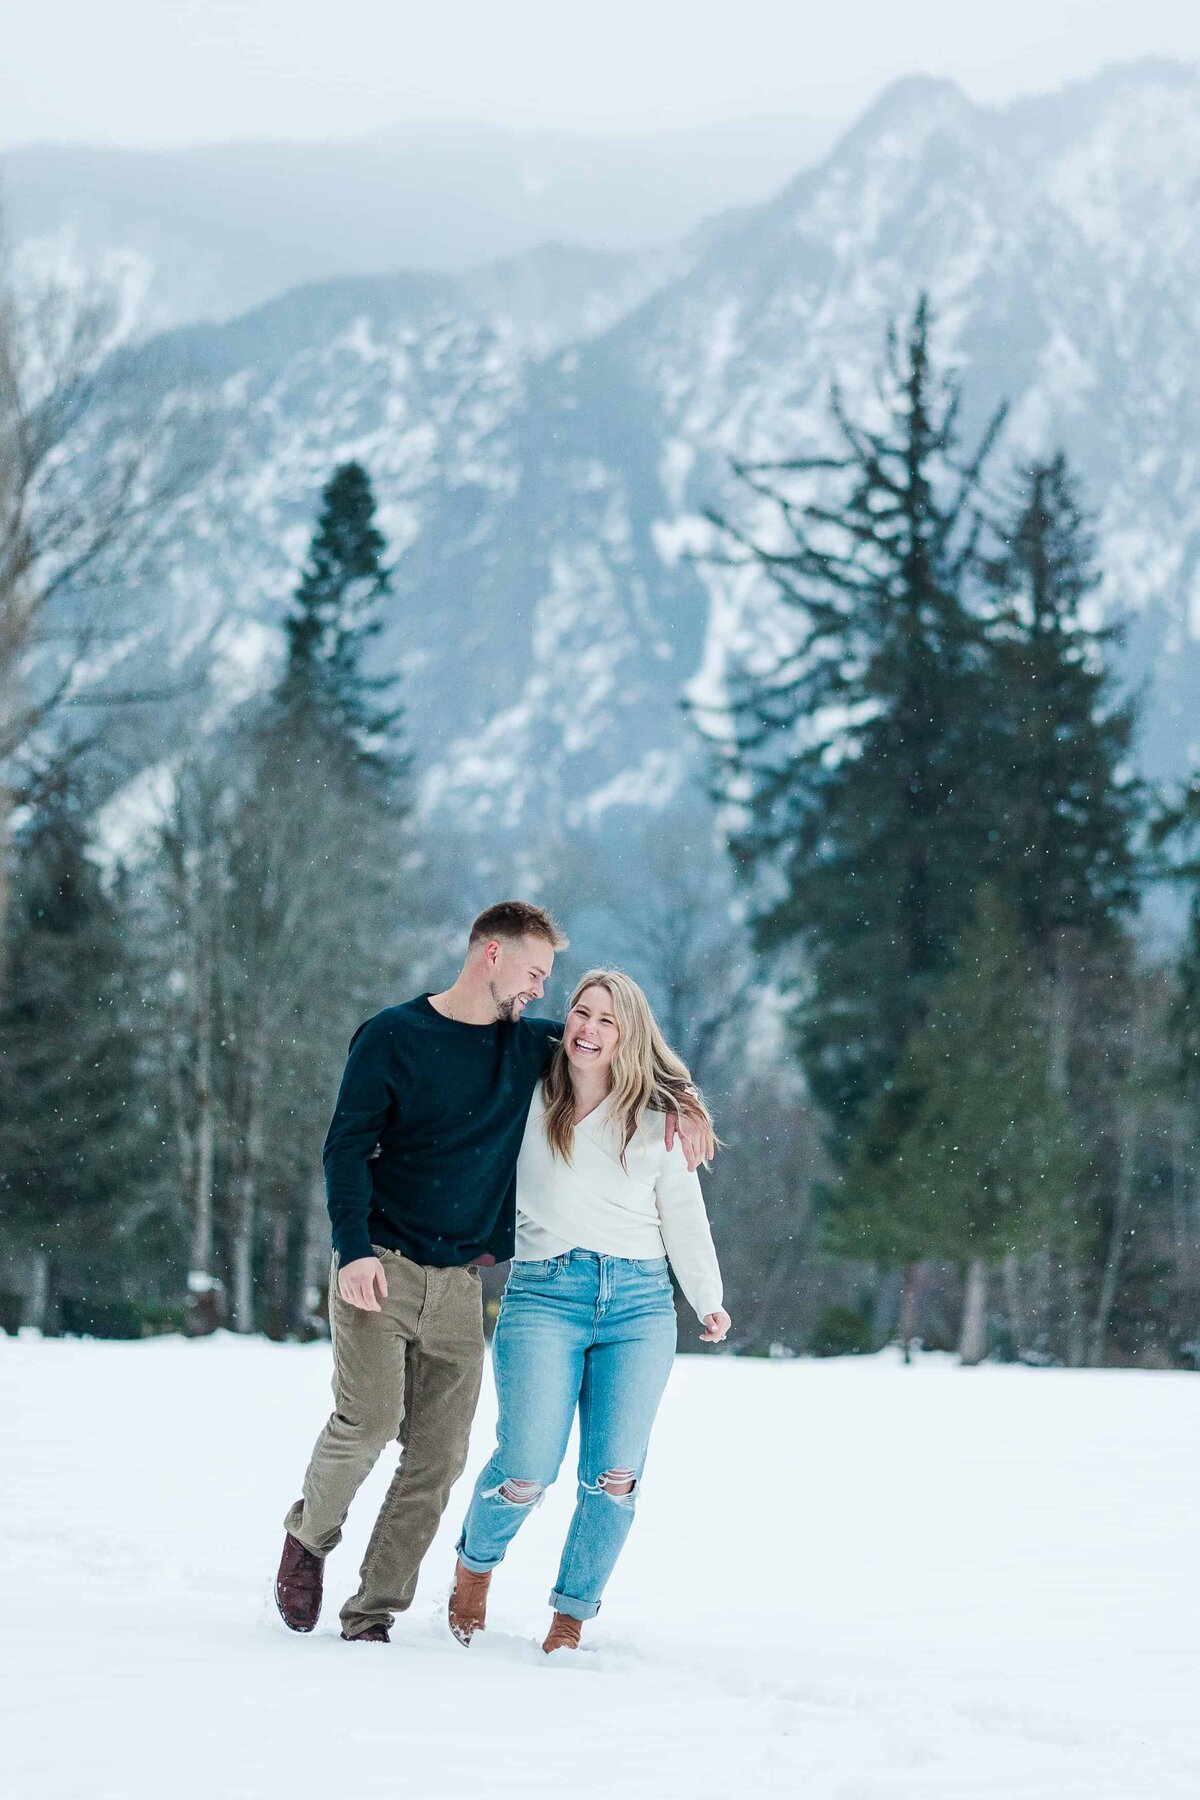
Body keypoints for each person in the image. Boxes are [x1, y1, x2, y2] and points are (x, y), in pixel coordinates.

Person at [274, 903, 715, 1643]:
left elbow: (618, 1051)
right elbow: (345, 1148)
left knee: (440, 1458)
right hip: (377, 1262)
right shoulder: (391, 1037)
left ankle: (372, 1615)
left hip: (458, 1283)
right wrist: (350, 1248)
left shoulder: (529, 1047)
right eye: (536, 973)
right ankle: (309, 1539)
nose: (542, 992)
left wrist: (684, 1102)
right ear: (490, 956)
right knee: (371, 1421)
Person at [448, 968, 731, 1655]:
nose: (591, 1029)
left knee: (614, 1478)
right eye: (582, 1012)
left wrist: (709, 1300)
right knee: (525, 1468)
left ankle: (570, 1617)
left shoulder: (659, 1122)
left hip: (638, 1307)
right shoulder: (527, 1097)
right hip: (544, 1295)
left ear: (628, 1035)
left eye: (608, 1020)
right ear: (565, 1021)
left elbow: (684, 1219)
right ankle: (474, 1569)